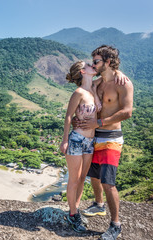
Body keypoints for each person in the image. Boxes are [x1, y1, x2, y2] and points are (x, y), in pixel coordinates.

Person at [75, 45, 134, 240]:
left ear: (108, 62)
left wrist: (99, 121)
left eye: (97, 62)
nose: (94, 64)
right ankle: (99, 205)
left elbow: (127, 112)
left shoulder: (123, 83)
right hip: (94, 135)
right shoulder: (98, 83)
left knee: (108, 182)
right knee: (93, 175)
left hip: (111, 138)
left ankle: (116, 225)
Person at [59, 60, 101, 232]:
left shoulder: (93, 90)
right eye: (90, 65)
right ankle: (73, 214)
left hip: (90, 142)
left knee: (83, 179)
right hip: (76, 139)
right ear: (83, 71)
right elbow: (69, 116)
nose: (93, 65)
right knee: (74, 180)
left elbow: (109, 76)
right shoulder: (79, 92)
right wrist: (65, 140)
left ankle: (74, 211)